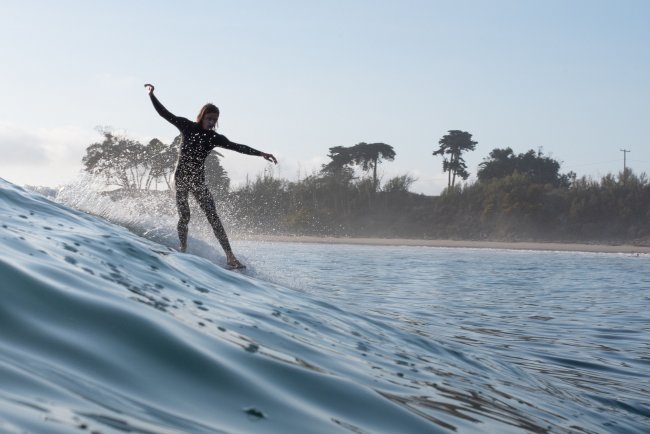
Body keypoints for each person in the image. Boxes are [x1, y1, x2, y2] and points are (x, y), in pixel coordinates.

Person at [144, 83, 277, 268]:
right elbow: (164, 113)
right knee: (185, 216)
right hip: (181, 177)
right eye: (209, 118)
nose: (212, 122)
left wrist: (260, 153)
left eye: (215, 119)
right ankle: (182, 248)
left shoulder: (214, 138)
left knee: (213, 216)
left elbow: (238, 147)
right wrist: (151, 95)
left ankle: (230, 256)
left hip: (198, 180)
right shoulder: (187, 126)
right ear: (202, 117)